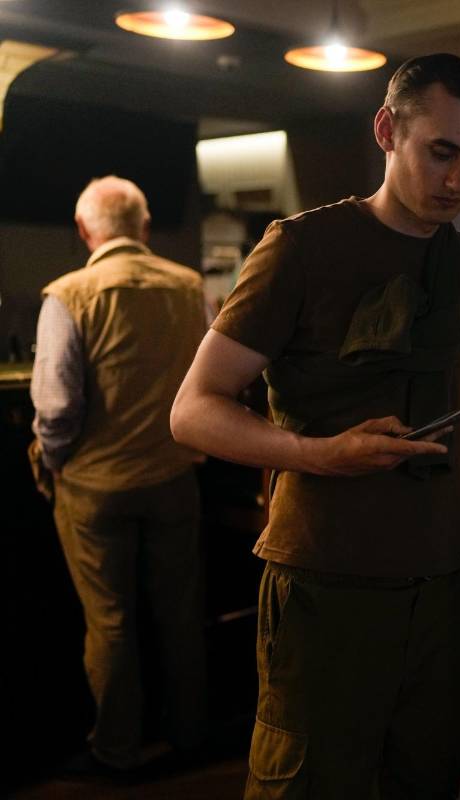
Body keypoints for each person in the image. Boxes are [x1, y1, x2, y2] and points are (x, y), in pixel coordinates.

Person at [170, 54, 460, 798]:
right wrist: (319, 454)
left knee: (425, 781)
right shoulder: (301, 248)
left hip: (439, 585)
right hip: (321, 581)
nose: (458, 180)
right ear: (386, 131)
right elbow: (193, 409)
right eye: (442, 153)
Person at [31, 175, 208, 775]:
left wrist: (56, 461)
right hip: (174, 476)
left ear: (85, 231)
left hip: (95, 485)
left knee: (110, 620)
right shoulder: (189, 288)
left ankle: (118, 749)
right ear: (145, 226)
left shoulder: (68, 294)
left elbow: (55, 407)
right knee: (180, 613)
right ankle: (189, 734)